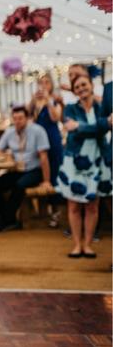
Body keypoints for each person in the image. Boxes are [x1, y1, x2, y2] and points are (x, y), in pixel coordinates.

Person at [56, 71, 111, 258]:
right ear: (74, 91)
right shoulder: (70, 109)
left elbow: (103, 127)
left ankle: (88, 244)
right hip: (75, 159)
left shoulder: (101, 106)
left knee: (92, 205)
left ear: (91, 85)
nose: (81, 89)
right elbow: (98, 128)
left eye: (84, 85)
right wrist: (95, 127)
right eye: (77, 87)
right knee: (73, 205)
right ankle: (77, 244)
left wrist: (80, 127)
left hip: (97, 159)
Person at [0, 105, 52, 233]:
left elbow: (44, 157)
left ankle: (8, 220)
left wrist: (46, 180)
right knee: (0, 182)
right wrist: (7, 155)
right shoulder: (10, 132)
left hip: (35, 170)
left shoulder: (38, 131)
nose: (18, 121)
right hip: (17, 170)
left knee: (19, 185)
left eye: (21, 118)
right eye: (15, 118)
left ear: (27, 118)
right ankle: (3, 217)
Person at [28, 72, 63, 186]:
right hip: (38, 139)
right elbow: (27, 114)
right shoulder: (36, 100)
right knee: (40, 168)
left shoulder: (56, 99)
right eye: (41, 82)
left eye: (47, 82)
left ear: (51, 84)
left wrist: (48, 101)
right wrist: (32, 100)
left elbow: (55, 118)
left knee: (54, 168)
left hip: (52, 137)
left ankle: (54, 200)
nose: (43, 85)